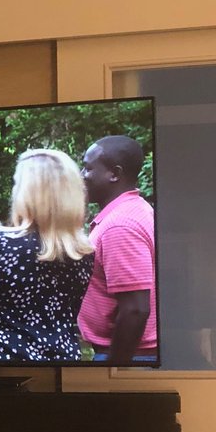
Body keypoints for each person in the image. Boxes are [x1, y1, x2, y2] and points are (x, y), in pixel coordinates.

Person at [0, 149, 95, 362]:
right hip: (62, 364)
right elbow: (69, 313)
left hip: (1, 364)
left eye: (17, 184)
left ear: (27, 194)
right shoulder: (82, 253)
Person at [78, 135, 157, 366]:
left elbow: (135, 309)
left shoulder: (119, 226)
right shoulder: (134, 209)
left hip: (130, 355)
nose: (82, 176)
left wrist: (113, 369)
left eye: (88, 168)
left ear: (114, 173)